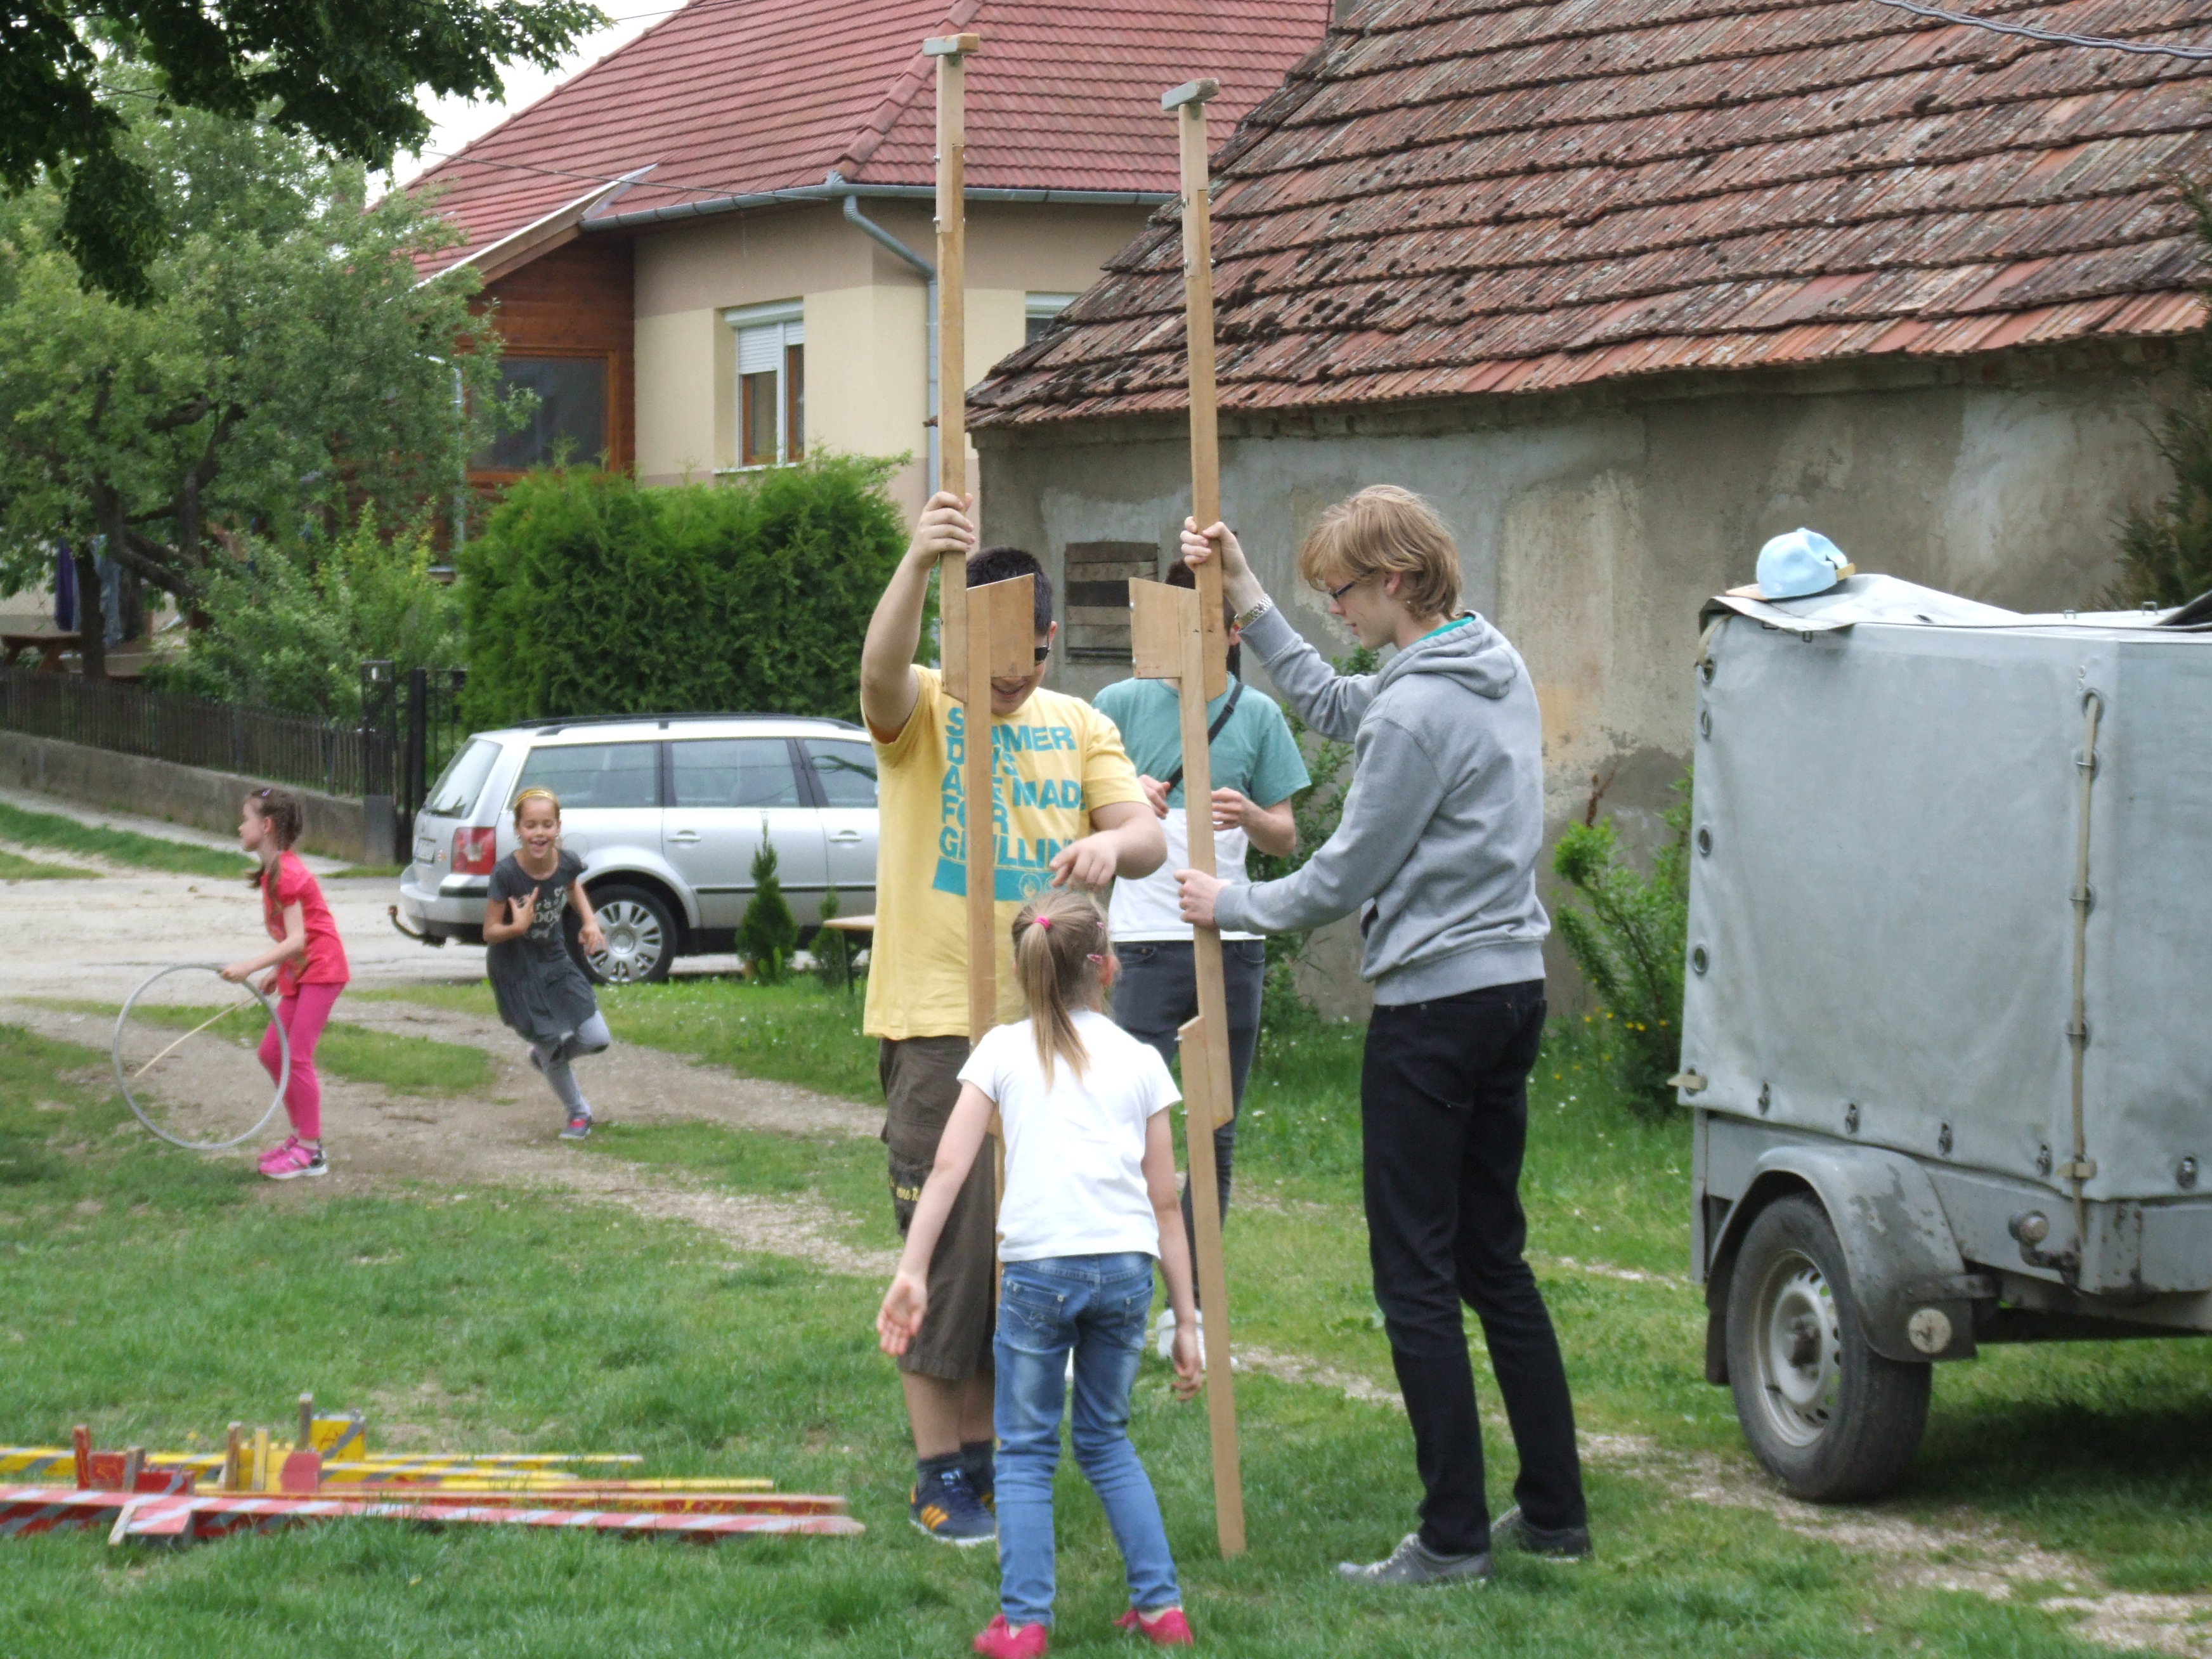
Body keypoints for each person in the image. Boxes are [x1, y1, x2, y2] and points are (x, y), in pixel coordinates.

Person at [1174, 487, 1591, 1584]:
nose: (1338, 611)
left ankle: (1451, 1538)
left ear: (1396, 581)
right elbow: (1329, 699)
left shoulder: (1414, 714)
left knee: (1414, 1273)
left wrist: (1230, 904)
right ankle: (1554, 1513)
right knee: (1492, 1258)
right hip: (1509, 994)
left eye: (1343, 592)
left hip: (1436, 1013)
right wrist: (1247, 593)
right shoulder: (1484, 662)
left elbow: (1343, 873)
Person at [858, 492, 1166, 1546]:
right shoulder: (925, 710)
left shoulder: (1078, 724)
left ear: (1047, 637)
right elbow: (877, 673)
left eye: (1031, 656)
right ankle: (935, 1471)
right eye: (995, 659)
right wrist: (915, 562)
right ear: (961, 638)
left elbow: (1142, 835)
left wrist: (1109, 846)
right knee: (947, 1256)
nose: (1014, 678)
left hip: (1047, 1029)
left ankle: (985, 1457)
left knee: (1019, 1255)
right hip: (942, 1024)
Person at [878, 890, 1202, 1656]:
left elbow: (948, 1168)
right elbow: (1165, 1202)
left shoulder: (997, 1050)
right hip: (1125, 1274)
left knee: (1023, 1452)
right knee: (1106, 1441)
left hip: (1037, 1275)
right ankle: (1161, 1609)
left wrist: (913, 1269)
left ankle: (1024, 1623)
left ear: (1026, 973)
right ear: (1107, 969)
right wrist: (1185, 1318)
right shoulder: (1142, 1061)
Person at [1091, 562, 1310, 1360]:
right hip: (1143, 946)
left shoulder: (1258, 715)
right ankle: (1118, 1300)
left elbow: (1285, 837)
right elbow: (1081, 812)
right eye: (1176, 618)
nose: (1190, 634)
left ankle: (1192, 1310)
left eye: (1205, 620)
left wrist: (1249, 814)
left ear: (1230, 631)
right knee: (1128, 1132)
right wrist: (1128, 804)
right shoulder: (1116, 705)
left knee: (1212, 1133)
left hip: (1230, 946)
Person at [221, 786, 349, 1181]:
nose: (240, 827)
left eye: (245, 819)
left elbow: (298, 940)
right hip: (302, 969)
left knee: (297, 1056)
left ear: (266, 826)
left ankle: (311, 1152)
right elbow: (296, 938)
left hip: (322, 969)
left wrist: (249, 966)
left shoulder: (287, 874)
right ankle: (302, 1136)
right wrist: (278, 971)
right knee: (272, 1053)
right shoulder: (273, 873)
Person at [482, 788, 611, 1142]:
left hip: (554, 960)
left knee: (597, 1038)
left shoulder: (565, 861)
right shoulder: (506, 874)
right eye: (530, 825)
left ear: (558, 827)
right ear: (518, 829)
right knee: (549, 1041)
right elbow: (490, 932)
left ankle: (547, 1060)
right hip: (517, 970)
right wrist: (518, 927)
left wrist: (589, 921)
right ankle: (578, 1112)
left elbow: (572, 886)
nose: (539, 833)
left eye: (547, 825)